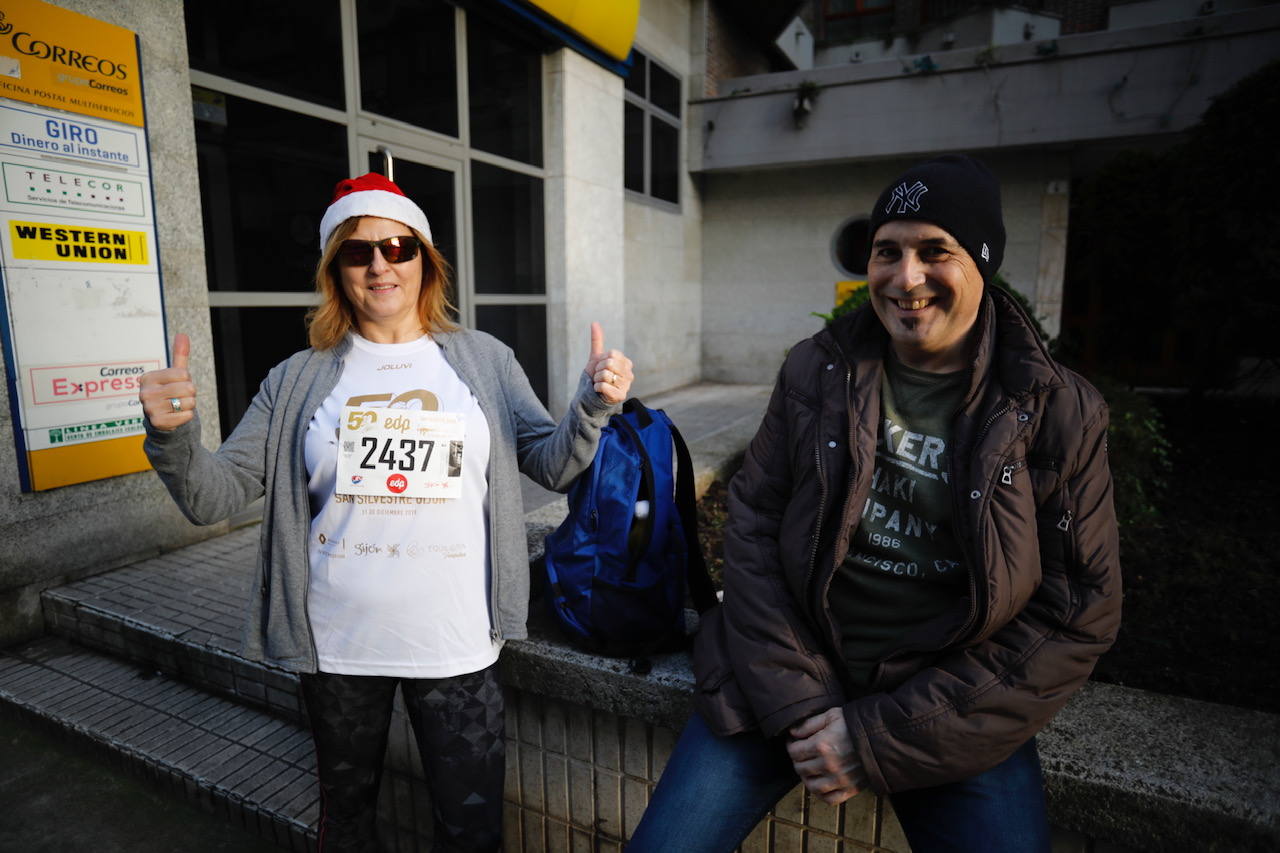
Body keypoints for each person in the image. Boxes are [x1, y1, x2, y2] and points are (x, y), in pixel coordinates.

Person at [628, 155, 1120, 852]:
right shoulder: (815, 368)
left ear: (984, 262)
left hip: (949, 703)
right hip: (785, 678)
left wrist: (876, 736)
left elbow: (1077, 610)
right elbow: (754, 526)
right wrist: (803, 704)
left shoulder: (1057, 409)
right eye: (887, 251)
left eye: (934, 251)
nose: (905, 276)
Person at [138, 172, 634, 852]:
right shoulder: (296, 378)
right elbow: (213, 496)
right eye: (357, 250)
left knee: (471, 831)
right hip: (338, 646)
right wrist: (172, 437)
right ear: (336, 269)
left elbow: (550, 463)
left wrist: (593, 406)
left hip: (456, 642)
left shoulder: (483, 361)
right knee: (347, 824)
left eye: (398, 246)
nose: (380, 263)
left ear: (424, 262)